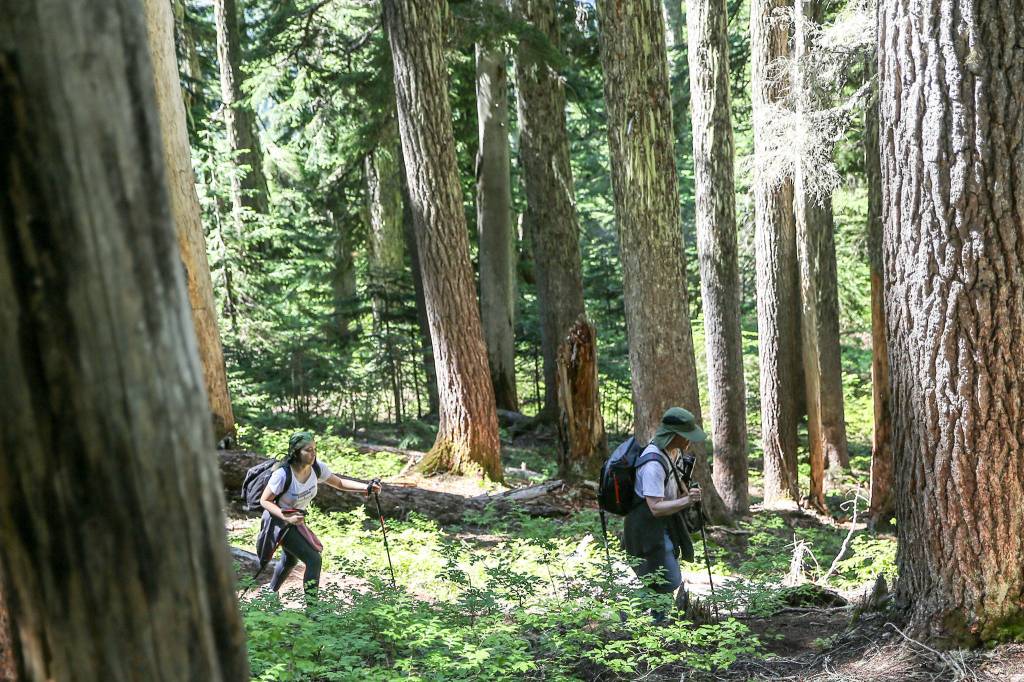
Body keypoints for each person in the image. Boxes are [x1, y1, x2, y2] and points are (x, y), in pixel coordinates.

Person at [257, 431, 382, 602]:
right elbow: (264, 501)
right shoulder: (283, 475)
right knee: (313, 559)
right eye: (308, 450)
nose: (313, 454)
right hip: (278, 521)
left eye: (315, 449)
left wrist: (367, 487)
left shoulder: (316, 468)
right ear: (296, 452)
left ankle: (270, 594)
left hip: (296, 520)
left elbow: (339, 483)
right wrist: (286, 517)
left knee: (289, 559)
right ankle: (313, 610)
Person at [623, 407, 705, 621]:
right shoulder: (653, 463)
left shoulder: (674, 453)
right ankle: (628, 612)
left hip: (663, 526)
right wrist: (687, 500)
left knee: (661, 580)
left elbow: (673, 492)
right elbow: (655, 507)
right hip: (644, 528)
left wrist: (687, 491)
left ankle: (656, 624)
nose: (689, 440)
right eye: (686, 436)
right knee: (667, 578)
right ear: (674, 435)